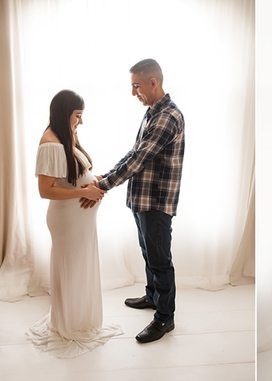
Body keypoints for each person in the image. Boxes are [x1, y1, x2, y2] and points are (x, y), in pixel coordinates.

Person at [82, 58, 185, 343]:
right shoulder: (153, 111)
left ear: (153, 83)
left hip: (156, 202)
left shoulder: (167, 116)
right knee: (148, 252)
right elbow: (134, 151)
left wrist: (103, 185)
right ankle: (153, 296)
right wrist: (108, 174)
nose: (133, 93)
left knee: (160, 260)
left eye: (136, 86)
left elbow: (139, 160)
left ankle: (165, 318)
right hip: (142, 200)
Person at [27, 89, 123, 358]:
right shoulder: (51, 144)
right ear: (64, 113)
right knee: (71, 270)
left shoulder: (65, 137)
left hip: (79, 221)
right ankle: (69, 323)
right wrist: (84, 192)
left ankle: (80, 318)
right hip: (67, 221)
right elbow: (45, 190)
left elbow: (73, 175)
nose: (80, 121)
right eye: (78, 116)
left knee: (80, 269)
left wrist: (94, 182)